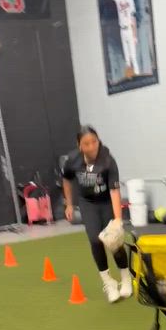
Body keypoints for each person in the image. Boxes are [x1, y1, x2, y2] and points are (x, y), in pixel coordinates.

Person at [61, 126, 132, 303]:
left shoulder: (108, 160)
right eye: (86, 143)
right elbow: (67, 180)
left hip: (107, 201)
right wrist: (69, 204)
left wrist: (117, 220)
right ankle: (109, 282)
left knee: (113, 240)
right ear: (79, 145)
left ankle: (125, 277)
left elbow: (115, 191)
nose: (92, 146)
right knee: (95, 240)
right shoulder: (72, 160)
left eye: (94, 142)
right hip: (88, 203)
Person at [104, 0, 140, 78]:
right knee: (127, 57)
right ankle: (130, 77)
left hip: (129, 29)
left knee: (133, 57)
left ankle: (137, 75)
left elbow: (133, 17)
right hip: (122, 30)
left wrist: (135, 35)